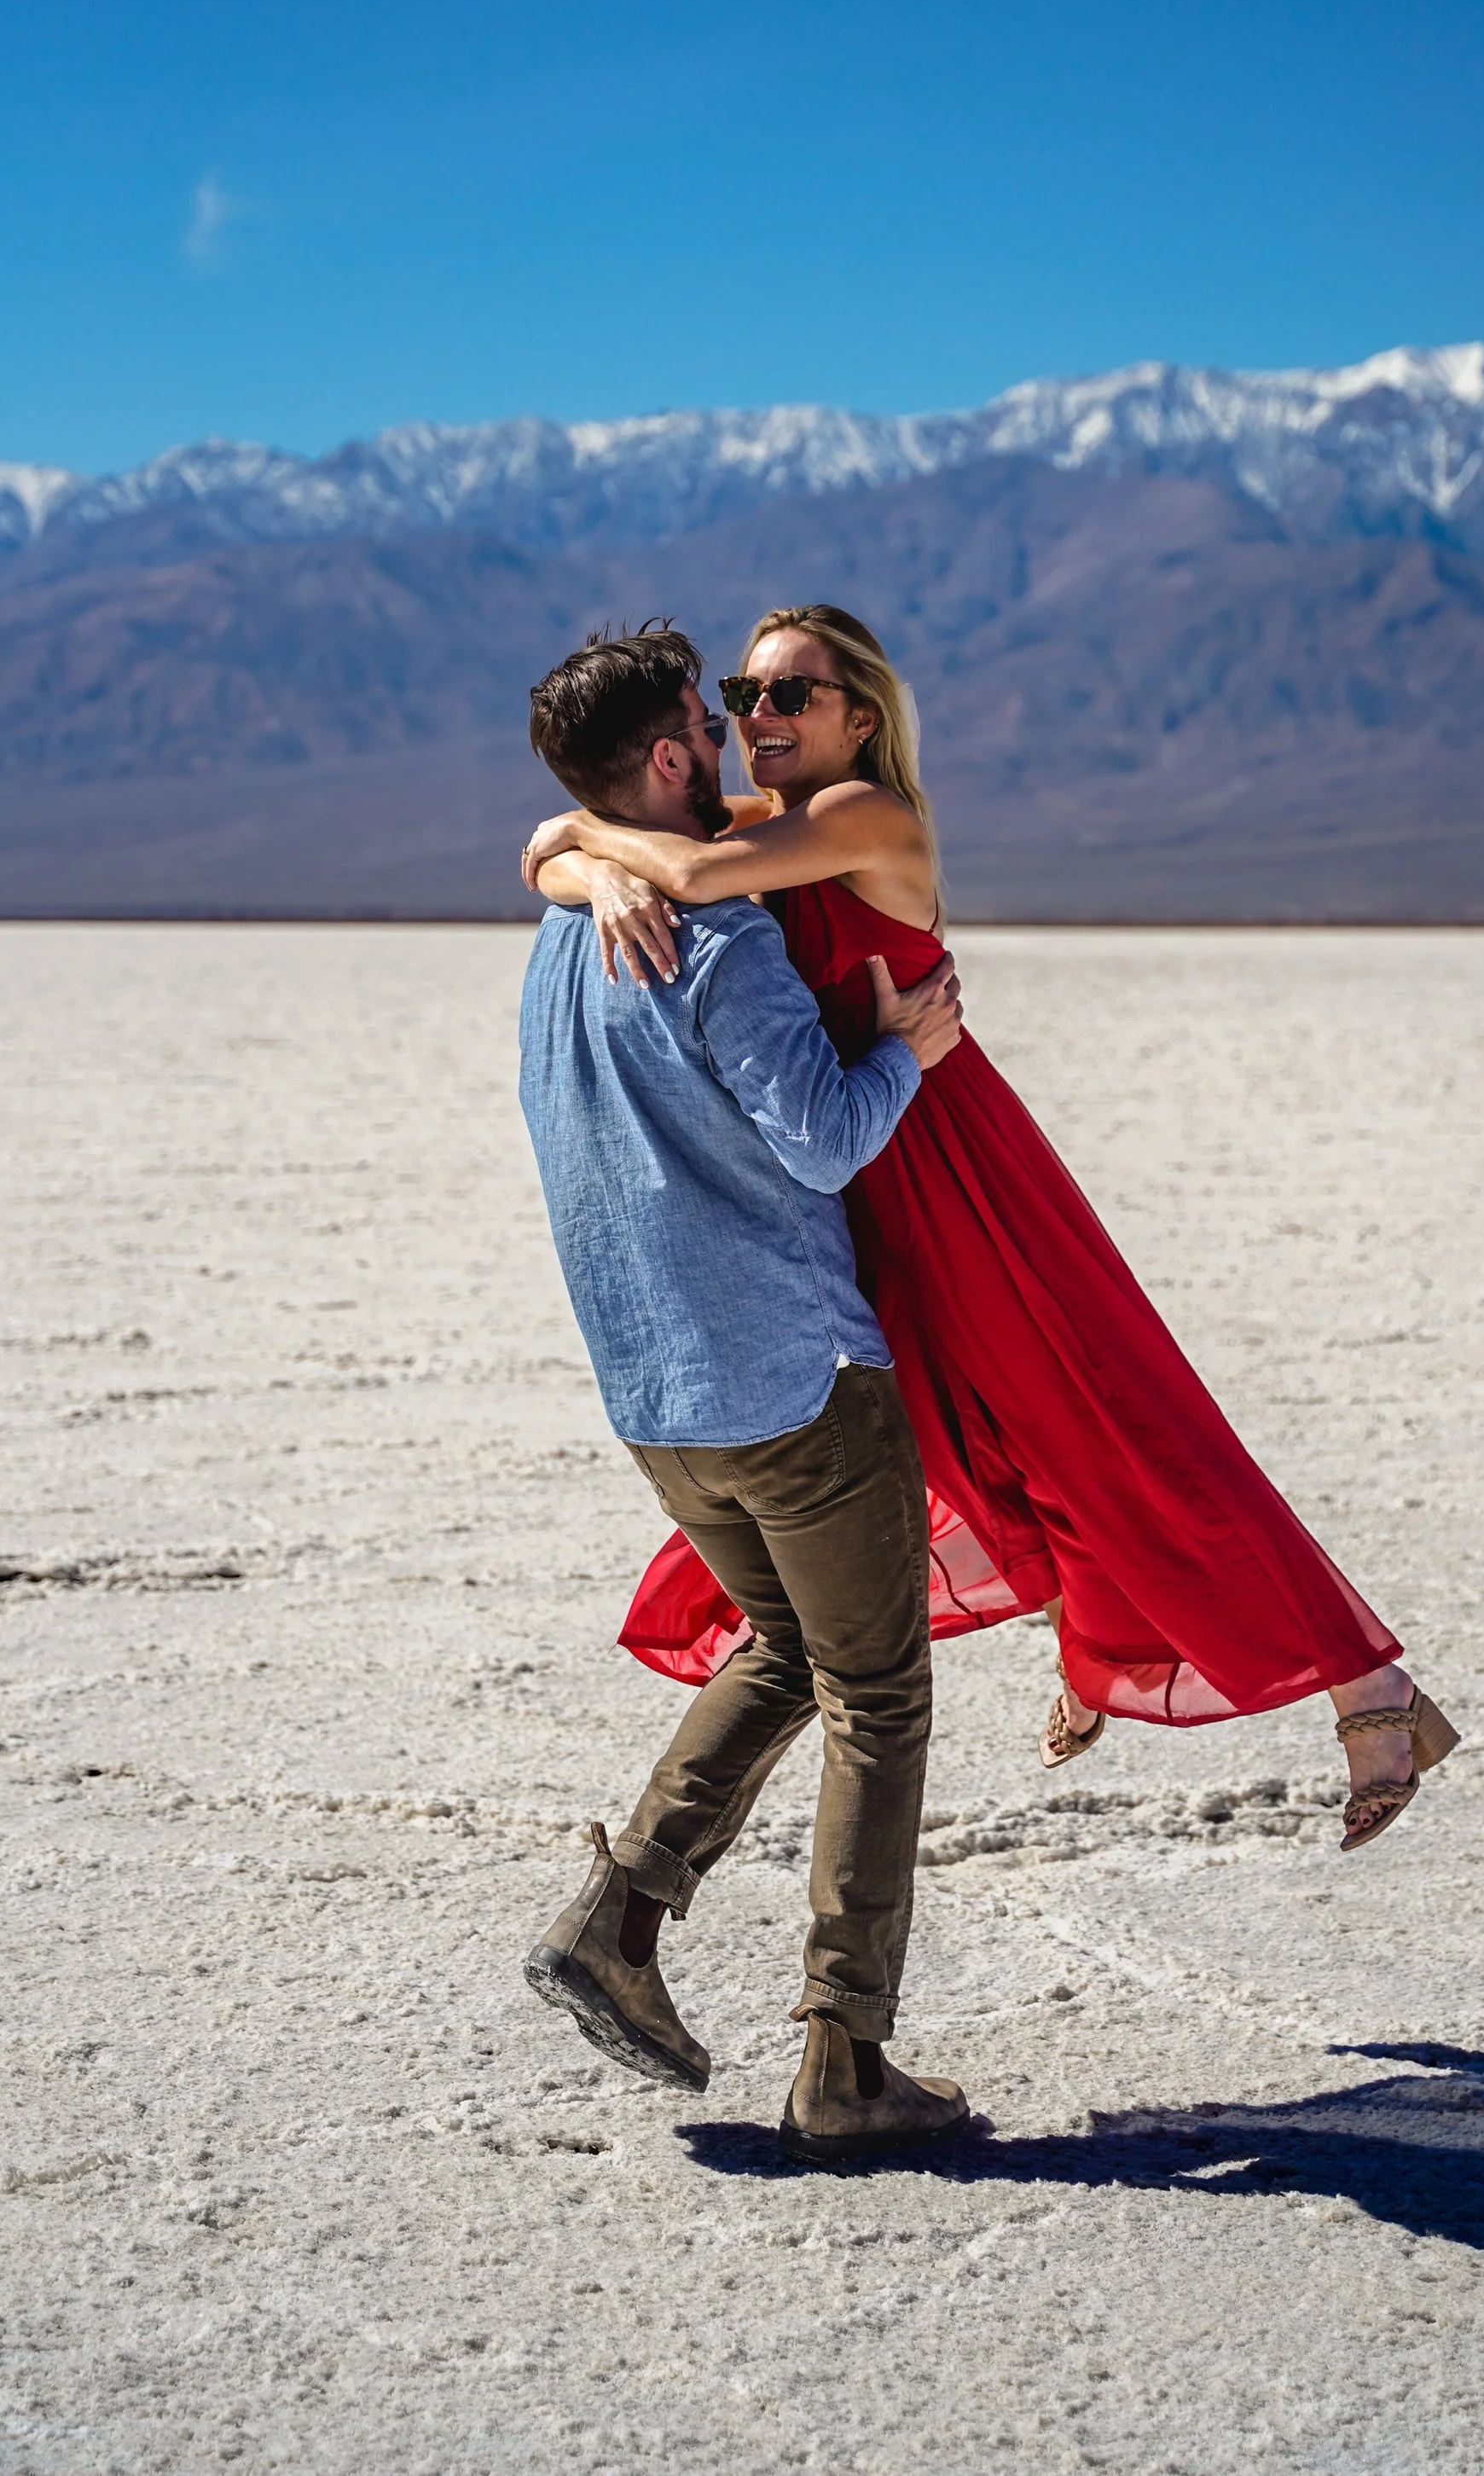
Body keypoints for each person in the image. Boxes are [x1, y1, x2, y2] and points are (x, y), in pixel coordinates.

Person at [525, 603, 1458, 1853]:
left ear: (863, 715)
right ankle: (1099, 1634)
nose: (759, 719)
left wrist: (593, 844)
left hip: (951, 1163)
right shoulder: (761, 827)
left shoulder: (864, 818)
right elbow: (552, 847)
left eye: (791, 695)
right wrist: (585, 856)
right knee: (958, 1441)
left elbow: (662, 865)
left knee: (1111, 1418)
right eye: (744, 698)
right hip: (858, 1171)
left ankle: (1372, 1688)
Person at [516, 621, 976, 2165]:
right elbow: (830, 1136)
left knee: (790, 1645)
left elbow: (556, 858)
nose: (734, 740)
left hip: (657, 1403)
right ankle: (845, 2063)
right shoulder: (718, 933)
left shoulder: (560, 941)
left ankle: (621, 1920)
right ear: (665, 759)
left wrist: (580, 853)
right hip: (795, 1384)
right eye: (713, 726)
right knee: (883, 1693)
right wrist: (907, 1048)